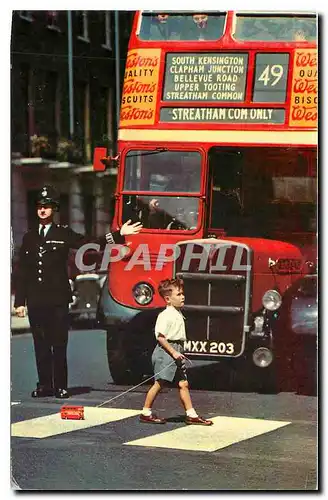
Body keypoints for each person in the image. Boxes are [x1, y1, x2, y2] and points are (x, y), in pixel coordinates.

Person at [14, 185, 142, 399]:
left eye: (47, 206)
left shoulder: (63, 233)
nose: (43, 210)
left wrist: (119, 234)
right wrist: (20, 302)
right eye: (39, 206)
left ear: (54, 209)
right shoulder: (29, 237)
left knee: (58, 344)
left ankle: (60, 386)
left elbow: (90, 245)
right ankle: (44, 385)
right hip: (36, 300)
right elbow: (23, 272)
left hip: (58, 300)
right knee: (40, 345)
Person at [140, 278, 213, 425]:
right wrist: (174, 353)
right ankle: (145, 412)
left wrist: (178, 351)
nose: (183, 297)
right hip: (166, 352)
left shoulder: (177, 313)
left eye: (182, 294)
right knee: (160, 383)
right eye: (179, 294)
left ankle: (191, 414)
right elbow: (161, 338)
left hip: (176, 350)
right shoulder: (165, 315)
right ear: (168, 299)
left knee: (183, 384)